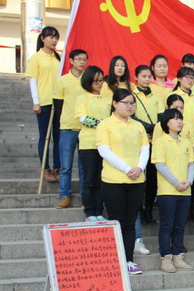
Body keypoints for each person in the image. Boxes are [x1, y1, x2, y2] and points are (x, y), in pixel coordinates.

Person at [96, 89, 149, 275]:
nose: (129, 106)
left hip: (137, 180)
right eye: (125, 102)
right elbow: (104, 151)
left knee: (130, 221)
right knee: (117, 221)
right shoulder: (105, 124)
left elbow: (145, 149)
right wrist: (127, 169)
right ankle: (116, 260)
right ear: (114, 104)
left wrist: (139, 168)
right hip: (114, 180)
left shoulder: (138, 126)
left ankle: (129, 260)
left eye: (132, 103)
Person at [152, 108, 194, 273]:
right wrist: (176, 183)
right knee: (166, 226)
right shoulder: (160, 141)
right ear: (167, 122)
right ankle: (166, 258)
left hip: (185, 191)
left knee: (180, 226)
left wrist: (189, 181)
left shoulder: (186, 142)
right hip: (167, 191)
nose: (179, 121)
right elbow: (160, 165)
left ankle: (178, 256)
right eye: (175, 118)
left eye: (180, 118)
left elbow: (191, 163)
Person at [75, 66, 111, 222]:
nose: (99, 83)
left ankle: (99, 210)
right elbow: (83, 119)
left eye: (101, 80)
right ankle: (89, 212)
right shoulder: (82, 98)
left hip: (106, 144)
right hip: (88, 144)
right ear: (88, 81)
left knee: (101, 179)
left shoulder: (108, 99)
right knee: (89, 179)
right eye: (96, 80)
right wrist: (102, 123)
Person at [25, 26, 61, 182]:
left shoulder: (59, 58)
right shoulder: (36, 58)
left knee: (58, 137)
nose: (54, 40)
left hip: (58, 101)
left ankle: (57, 168)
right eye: (51, 37)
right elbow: (33, 80)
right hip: (44, 102)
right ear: (42, 38)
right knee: (44, 137)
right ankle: (45, 168)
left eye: (56, 38)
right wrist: (36, 102)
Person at [53, 49, 87, 208]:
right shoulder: (62, 81)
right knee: (65, 166)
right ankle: (65, 195)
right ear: (71, 61)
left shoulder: (88, 80)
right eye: (79, 59)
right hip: (67, 128)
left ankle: (85, 197)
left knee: (84, 167)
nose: (82, 62)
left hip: (86, 129)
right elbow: (58, 105)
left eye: (84, 59)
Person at [132, 65, 165, 224]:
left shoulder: (156, 97)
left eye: (148, 76)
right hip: (137, 143)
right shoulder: (132, 95)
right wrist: (150, 128)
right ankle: (138, 209)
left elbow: (161, 118)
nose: (146, 79)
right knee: (138, 177)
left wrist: (155, 129)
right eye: (143, 76)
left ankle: (149, 210)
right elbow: (132, 117)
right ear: (136, 77)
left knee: (152, 179)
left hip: (153, 142)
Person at [172, 67, 194, 139]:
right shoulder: (172, 96)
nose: (190, 80)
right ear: (179, 79)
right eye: (187, 77)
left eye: (192, 78)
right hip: (177, 136)